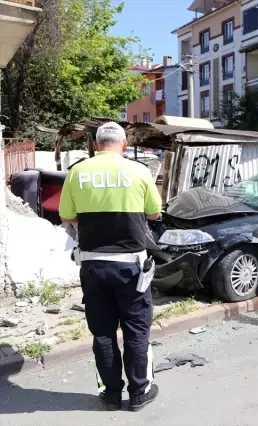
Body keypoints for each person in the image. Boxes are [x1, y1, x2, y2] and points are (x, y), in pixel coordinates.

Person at [58, 122, 162, 412]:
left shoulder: (78, 172)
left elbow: (68, 215)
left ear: (94, 145)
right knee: (136, 330)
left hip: (93, 265)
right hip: (132, 268)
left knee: (103, 332)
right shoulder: (139, 171)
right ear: (124, 145)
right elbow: (154, 212)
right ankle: (139, 392)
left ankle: (111, 395)